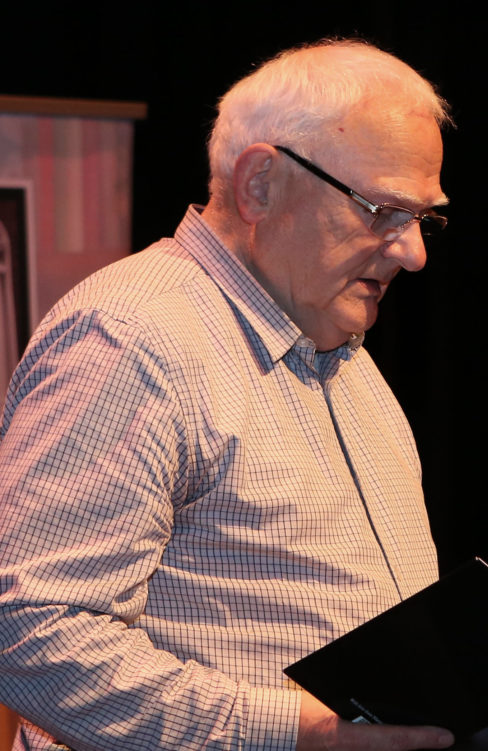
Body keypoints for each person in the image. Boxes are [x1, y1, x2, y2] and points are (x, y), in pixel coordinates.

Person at [0, 39, 453, 750]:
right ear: (260, 185)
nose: (412, 252)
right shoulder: (132, 338)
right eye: (380, 210)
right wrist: (298, 732)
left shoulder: (343, 349)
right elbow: (33, 637)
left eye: (423, 218)